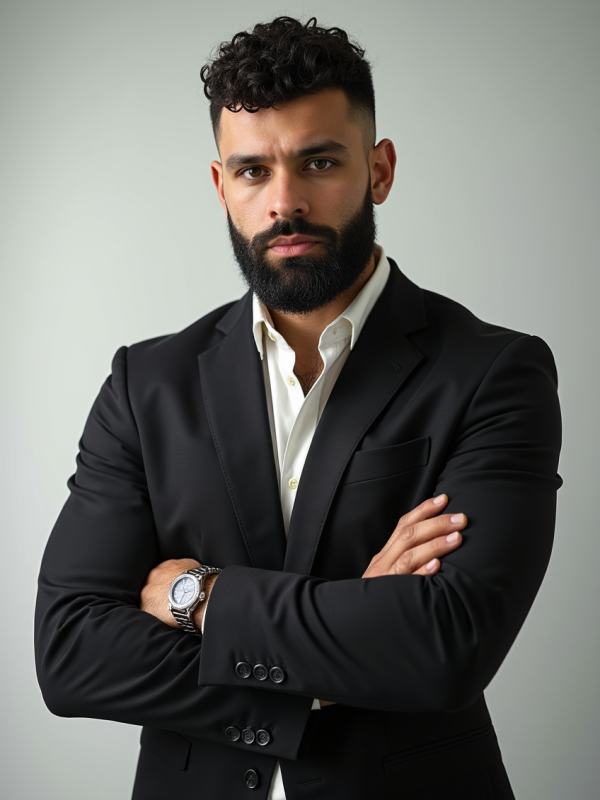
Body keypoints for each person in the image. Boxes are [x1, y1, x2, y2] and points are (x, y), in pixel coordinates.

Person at [34, 16, 562, 800]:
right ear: (222, 186)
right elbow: (72, 653)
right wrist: (343, 650)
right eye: (253, 171)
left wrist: (199, 597)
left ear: (379, 170)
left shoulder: (492, 372)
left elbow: (445, 646)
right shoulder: (146, 385)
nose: (285, 202)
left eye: (318, 162)